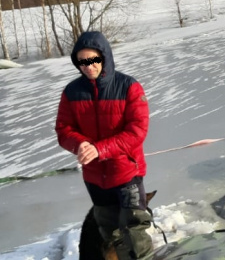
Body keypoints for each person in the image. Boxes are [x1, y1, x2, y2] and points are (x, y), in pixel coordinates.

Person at [55, 31, 153, 259]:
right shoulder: (71, 92)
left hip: (127, 173)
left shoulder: (129, 86)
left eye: (93, 60)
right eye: (82, 62)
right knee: (110, 232)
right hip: (95, 178)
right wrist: (80, 145)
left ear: (104, 57)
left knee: (135, 232)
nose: (88, 67)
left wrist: (101, 148)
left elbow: (137, 131)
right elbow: (63, 130)